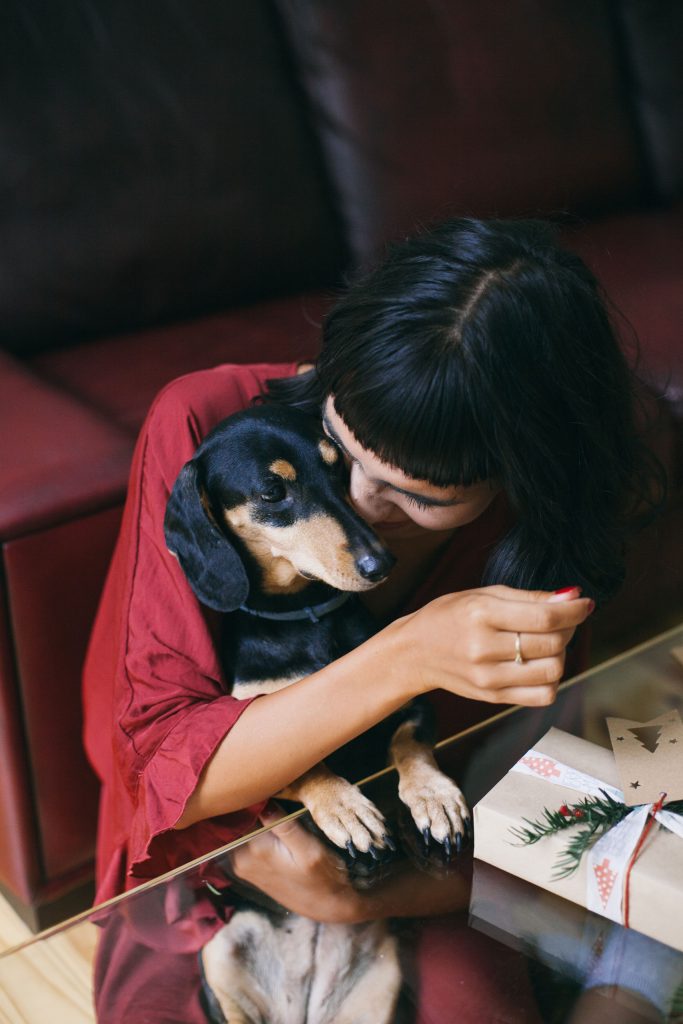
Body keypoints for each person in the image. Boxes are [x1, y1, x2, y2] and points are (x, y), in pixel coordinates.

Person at [83, 217, 660, 1020]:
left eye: (417, 497)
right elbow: (158, 767)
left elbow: (545, 811)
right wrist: (404, 656)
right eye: (338, 447)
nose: (354, 513)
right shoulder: (210, 427)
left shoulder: (539, 533)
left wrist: (371, 897)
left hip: (426, 871)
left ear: (521, 482)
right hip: (220, 871)